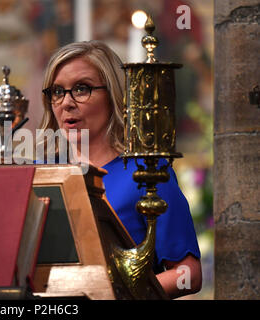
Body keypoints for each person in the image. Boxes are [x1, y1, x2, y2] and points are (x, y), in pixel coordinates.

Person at [38, 40, 202, 299]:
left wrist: (118, 296)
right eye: (57, 91)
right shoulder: (41, 174)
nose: (66, 103)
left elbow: (188, 275)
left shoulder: (146, 172)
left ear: (114, 93)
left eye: (81, 89)